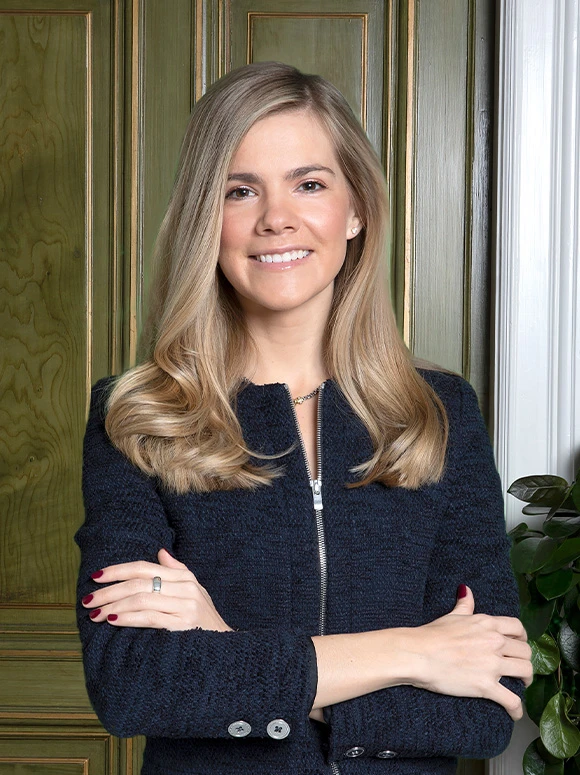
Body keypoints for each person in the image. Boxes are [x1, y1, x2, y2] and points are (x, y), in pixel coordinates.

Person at [75, 62, 532, 775]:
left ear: (355, 210)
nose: (276, 217)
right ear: (206, 217)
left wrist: (223, 639)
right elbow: (134, 685)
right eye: (240, 190)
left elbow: (485, 702)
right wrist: (414, 651)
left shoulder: (441, 414)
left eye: (309, 183)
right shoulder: (137, 418)